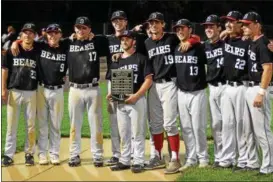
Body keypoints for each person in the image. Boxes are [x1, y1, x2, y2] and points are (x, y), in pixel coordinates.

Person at [144, 12, 200, 174]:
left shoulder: (171, 38)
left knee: (169, 122)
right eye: (151, 23)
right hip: (153, 86)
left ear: (163, 24)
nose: (154, 25)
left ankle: (175, 158)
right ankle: (157, 156)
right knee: (155, 123)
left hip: (170, 83)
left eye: (157, 22)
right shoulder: (147, 42)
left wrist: (190, 41)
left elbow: (195, 38)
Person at [108, 30, 153, 173]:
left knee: (138, 132)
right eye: (122, 39)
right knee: (124, 132)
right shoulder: (117, 60)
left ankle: (138, 160)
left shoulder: (141, 58)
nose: (124, 41)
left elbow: (149, 80)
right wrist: (111, 93)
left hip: (136, 100)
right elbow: (114, 80)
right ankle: (125, 160)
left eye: (127, 39)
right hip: (121, 101)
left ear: (134, 41)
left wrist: (137, 95)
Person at [67, 16, 110, 167]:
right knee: (74, 124)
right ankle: (74, 154)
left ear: (90, 29)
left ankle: (97, 155)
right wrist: (17, 41)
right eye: (78, 27)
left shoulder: (97, 41)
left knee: (96, 123)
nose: (81, 30)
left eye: (84, 27)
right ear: (74, 28)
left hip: (93, 88)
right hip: (75, 89)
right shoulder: (68, 42)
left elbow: (110, 41)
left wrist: (95, 37)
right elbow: (48, 42)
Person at [173, 19, 209, 173]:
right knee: (186, 127)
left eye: (183, 28)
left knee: (198, 127)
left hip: (197, 92)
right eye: (177, 29)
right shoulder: (176, 48)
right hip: (181, 92)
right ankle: (191, 158)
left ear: (190, 29)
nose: (180, 31)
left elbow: (206, 42)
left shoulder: (200, 48)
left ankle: (203, 158)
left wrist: (194, 41)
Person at [1, 23, 39, 167]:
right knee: (11, 126)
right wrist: (3, 89)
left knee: (31, 126)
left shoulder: (38, 49)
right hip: (15, 91)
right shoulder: (12, 50)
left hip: (31, 92)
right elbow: (4, 70)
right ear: (21, 35)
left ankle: (29, 154)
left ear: (34, 35)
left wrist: (15, 42)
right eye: (25, 32)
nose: (27, 35)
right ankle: (8, 155)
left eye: (30, 32)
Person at [241, 11, 273, 175]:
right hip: (249, 88)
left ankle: (269, 165)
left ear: (257, 25)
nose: (244, 26)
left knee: (262, 131)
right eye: (244, 24)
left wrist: (261, 92)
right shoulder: (252, 41)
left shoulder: (263, 43)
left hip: (259, 88)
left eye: (248, 24)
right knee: (249, 130)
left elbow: (268, 68)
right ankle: (254, 163)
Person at [219, 11, 249, 169]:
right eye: (226, 22)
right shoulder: (226, 39)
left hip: (242, 86)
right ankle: (227, 158)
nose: (228, 25)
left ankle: (243, 160)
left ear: (240, 24)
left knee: (241, 124)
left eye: (231, 21)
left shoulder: (248, 41)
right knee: (227, 124)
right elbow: (201, 40)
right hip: (227, 86)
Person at [201, 15, 226, 168]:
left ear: (219, 28)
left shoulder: (227, 43)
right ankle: (219, 156)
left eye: (212, 26)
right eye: (206, 27)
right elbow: (193, 40)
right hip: (212, 88)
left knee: (230, 123)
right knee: (216, 124)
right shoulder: (205, 46)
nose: (208, 29)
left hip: (227, 87)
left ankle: (233, 156)